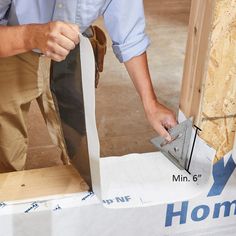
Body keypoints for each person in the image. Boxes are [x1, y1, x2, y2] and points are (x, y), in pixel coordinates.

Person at [0, 0, 177, 172]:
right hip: (13, 42)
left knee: (79, 152)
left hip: (73, 46)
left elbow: (130, 35)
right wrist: (30, 36)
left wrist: (151, 103)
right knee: (6, 146)